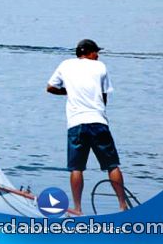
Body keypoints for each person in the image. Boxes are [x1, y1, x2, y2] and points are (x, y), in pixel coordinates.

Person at [47, 39, 128, 214]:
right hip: (98, 122)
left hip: (76, 124)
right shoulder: (100, 67)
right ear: (89, 53)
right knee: (112, 165)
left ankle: (77, 209)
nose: (97, 55)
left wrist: (68, 92)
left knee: (76, 168)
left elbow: (50, 87)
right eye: (96, 52)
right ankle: (123, 206)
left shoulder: (65, 65)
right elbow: (104, 98)